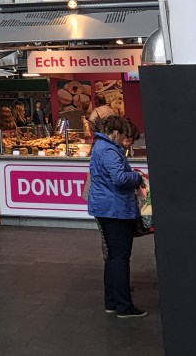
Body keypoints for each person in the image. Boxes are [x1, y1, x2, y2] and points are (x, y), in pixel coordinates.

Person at [87, 115, 147, 319]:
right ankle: (124, 306)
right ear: (117, 132)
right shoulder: (109, 150)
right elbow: (120, 178)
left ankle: (111, 301)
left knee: (113, 257)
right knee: (121, 258)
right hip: (115, 209)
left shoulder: (100, 147)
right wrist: (137, 177)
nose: (125, 140)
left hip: (106, 207)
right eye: (124, 135)